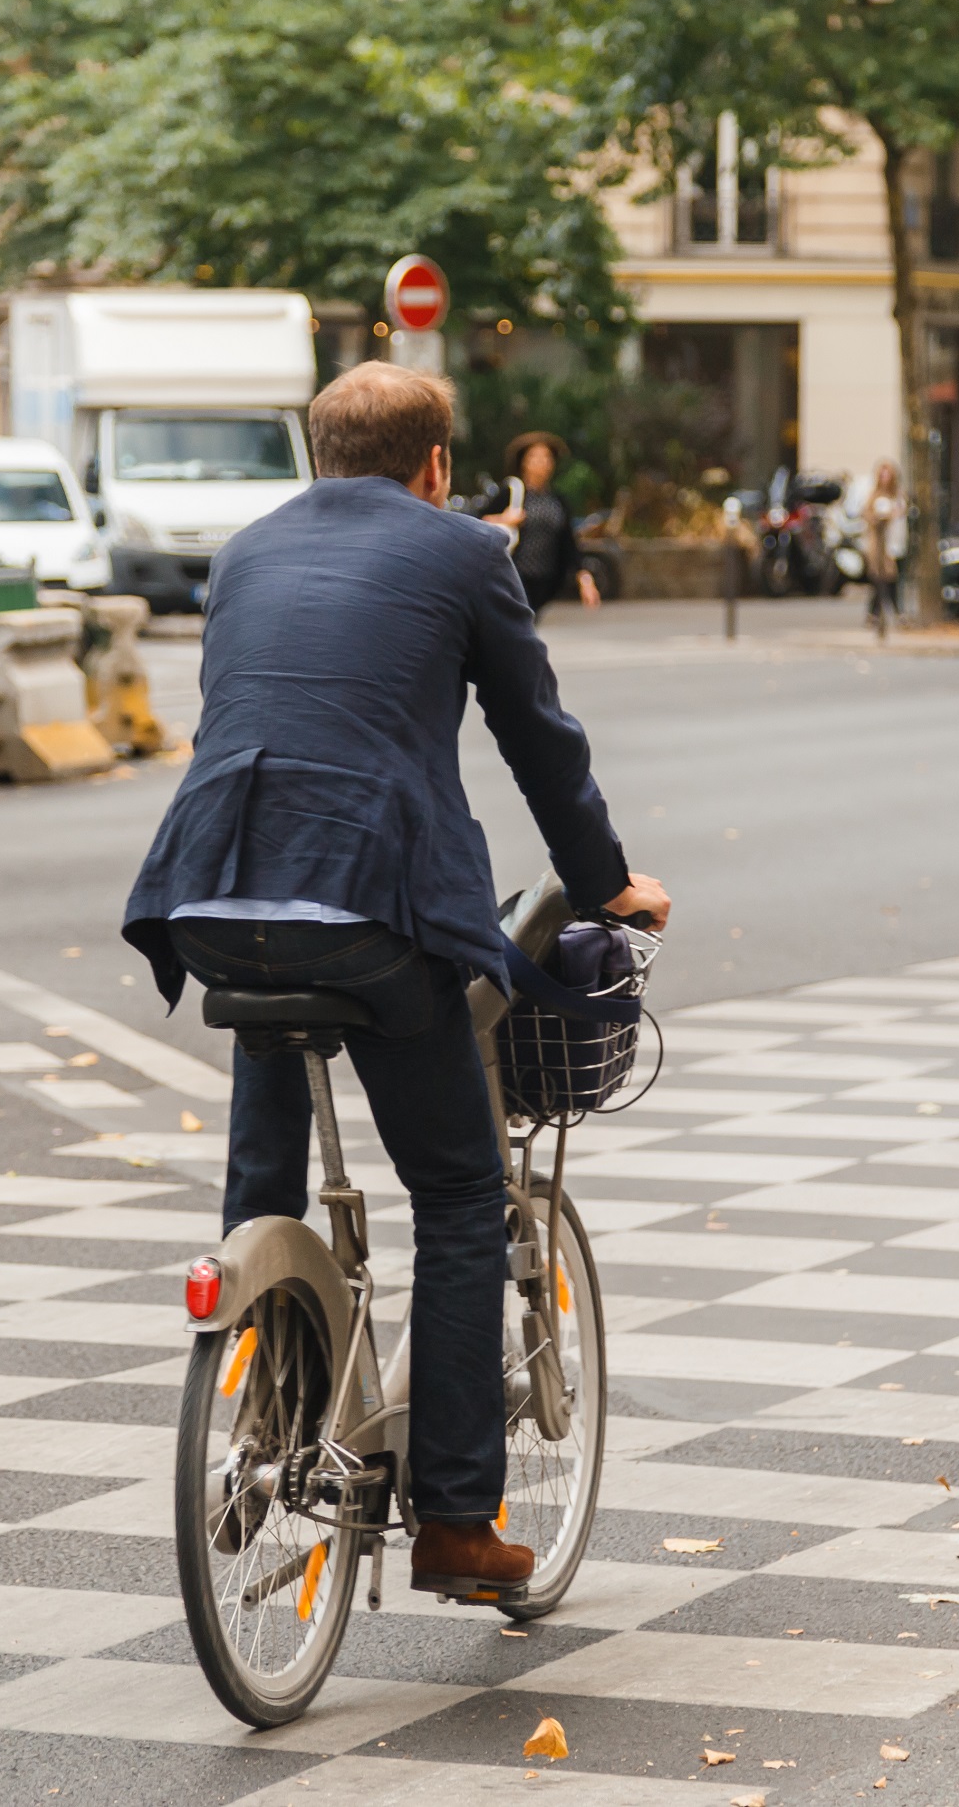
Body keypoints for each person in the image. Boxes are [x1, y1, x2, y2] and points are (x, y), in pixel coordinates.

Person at [124, 362, 670, 1600]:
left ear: (318, 457)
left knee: (264, 1170)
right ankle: (459, 1523)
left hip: (212, 891)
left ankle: (270, 1407)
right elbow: (540, 739)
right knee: (463, 1197)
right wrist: (607, 886)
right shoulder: (466, 555)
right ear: (435, 466)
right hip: (371, 904)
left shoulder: (246, 553)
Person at [474, 431, 601, 619]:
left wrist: (585, 579)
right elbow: (476, 522)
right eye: (535, 457)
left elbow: (569, 544)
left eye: (547, 457)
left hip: (544, 580)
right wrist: (503, 519)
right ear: (523, 462)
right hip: (512, 578)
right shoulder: (511, 493)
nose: (542, 462)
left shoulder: (557, 501)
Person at [859, 459, 904, 635]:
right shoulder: (873, 495)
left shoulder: (898, 495)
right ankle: (884, 614)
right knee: (879, 579)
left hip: (893, 543)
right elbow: (867, 515)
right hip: (877, 544)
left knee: (890, 579)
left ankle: (879, 613)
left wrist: (894, 514)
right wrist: (878, 517)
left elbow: (902, 514)